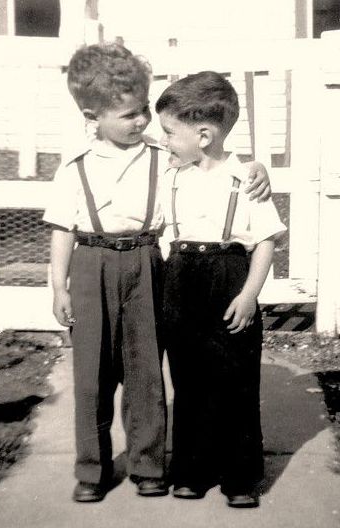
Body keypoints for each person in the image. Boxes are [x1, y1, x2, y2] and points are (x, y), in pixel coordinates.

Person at [43, 43, 271, 503]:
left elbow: (214, 156)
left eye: (145, 110)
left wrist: (257, 167)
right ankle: (92, 469)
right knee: (92, 372)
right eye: (129, 115)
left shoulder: (162, 157)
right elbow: (62, 231)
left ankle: (149, 464)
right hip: (91, 263)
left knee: (146, 368)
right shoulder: (74, 167)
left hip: (147, 262)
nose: (142, 121)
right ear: (93, 115)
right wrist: (58, 287)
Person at [155, 71, 286, 508]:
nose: (165, 141)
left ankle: (241, 477)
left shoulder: (245, 180)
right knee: (188, 380)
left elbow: (266, 240)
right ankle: (192, 470)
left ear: (204, 135)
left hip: (229, 276)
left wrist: (249, 295)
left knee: (235, 382)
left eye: (171, 132)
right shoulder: (174, 174)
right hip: (180, 277)